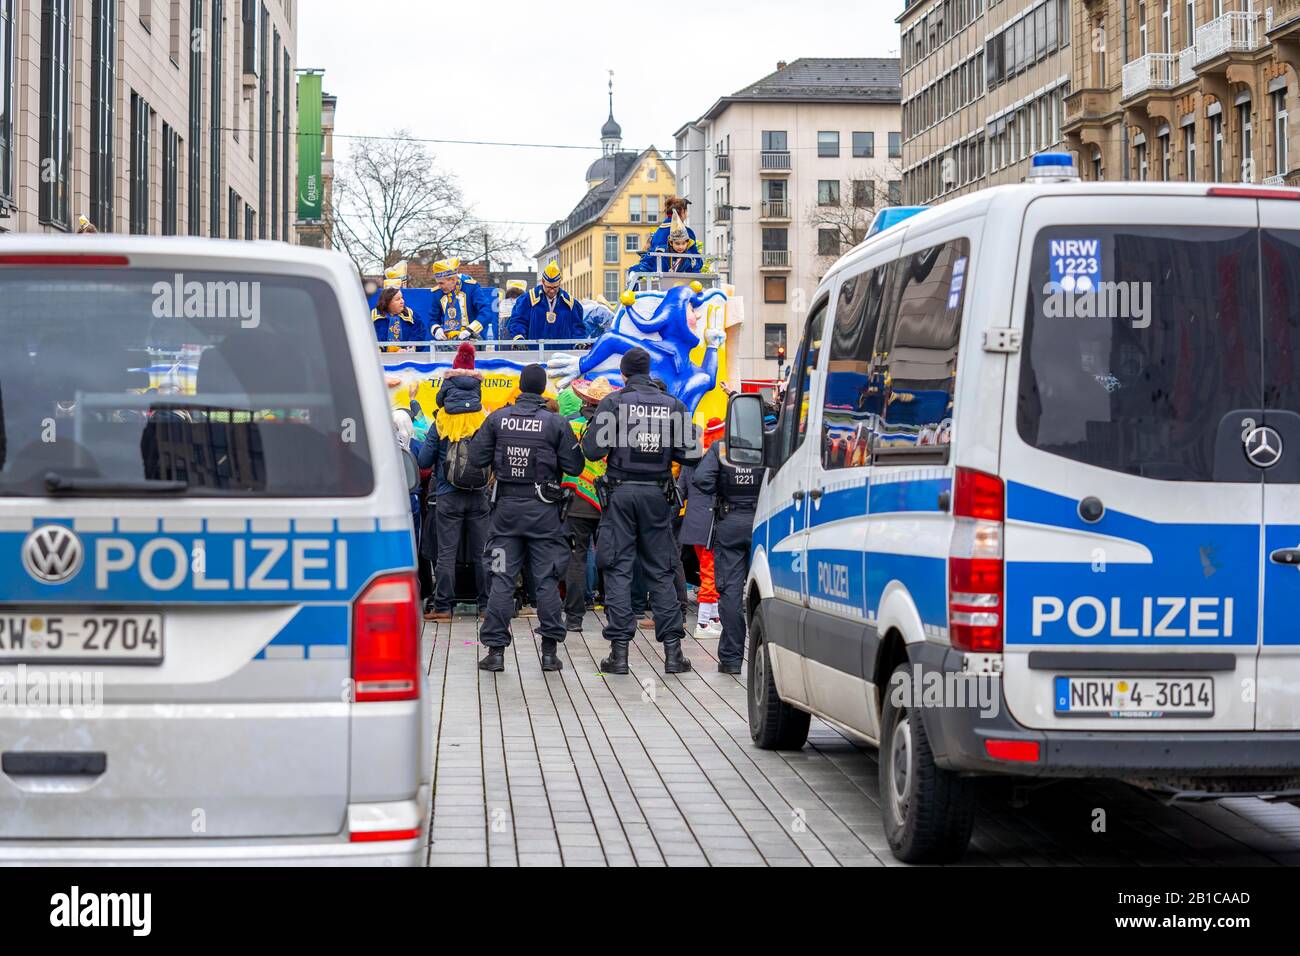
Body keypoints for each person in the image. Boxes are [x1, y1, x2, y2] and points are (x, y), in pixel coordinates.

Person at [581, 347, 701, 675]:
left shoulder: (614, 403)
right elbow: (693, 455)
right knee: (661, 570)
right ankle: (673, 653)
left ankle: (619, 654)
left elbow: (592, 451)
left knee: (618, 568)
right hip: (658, 496)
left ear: (623, 374)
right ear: (649, 372)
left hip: (620, 494)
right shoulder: (673, 405)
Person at [470, 364, 584, 673]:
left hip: (505, 512)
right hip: (544, 513)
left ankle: (495, 653)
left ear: (520, 387)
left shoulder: (497, 419)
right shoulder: (556, 423)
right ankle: (549, 653)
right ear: (543, 389)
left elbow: (476, 458)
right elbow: (575, 466)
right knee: (546, 580)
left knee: (501, 579)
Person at [417, 342, 490, 622]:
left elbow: (423, 461)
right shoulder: (482, 418)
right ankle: (485, 607)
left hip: (447, 493)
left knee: (446, 553)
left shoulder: (441, 421)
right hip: (479, 493)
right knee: (482, 552)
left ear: (446, 388)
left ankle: (444, 607)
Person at [692, 435, 764, 673]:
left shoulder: (721, 446)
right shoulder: (769, 442)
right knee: (767, 592)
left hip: (730, 519)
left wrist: (722, 487)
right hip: (763, 520)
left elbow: (701, 479)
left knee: (730, 592)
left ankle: (732, 659)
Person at [561, 377, 616, 633]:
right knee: (614, 559)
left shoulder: (571, 426)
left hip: (576, 501)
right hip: (610, 500)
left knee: (577, 557)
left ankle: (574, 617)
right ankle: (615, 615)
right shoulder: (617, 426)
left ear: (584, 400)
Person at [677, 417, 725, 637]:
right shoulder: (716, 460)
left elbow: (681, 492)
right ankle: (704, 623)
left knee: (709, 568)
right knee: (710, 571)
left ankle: (714, 617)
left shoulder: (688, 462)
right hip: (711, 522)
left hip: (694, 523)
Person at [508, 261, 586, 342]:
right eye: (548, 287)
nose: (552, 291)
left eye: (555, 287)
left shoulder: (570, 303)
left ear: (559, 282)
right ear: (542, 281)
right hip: (535, 352)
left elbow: (578, 327)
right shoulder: (528, 300)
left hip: (562, 352)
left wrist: (579, 341)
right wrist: (519, 337)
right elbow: (518, 321)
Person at [430, 258, 496, 341]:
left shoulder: (471, 287)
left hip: (471, 340)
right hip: (446, 341)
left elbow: (486, 311)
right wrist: (436, 329)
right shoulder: (437, 293)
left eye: (441, 283)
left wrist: (470, 330)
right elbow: (433, 318)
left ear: (453, 280)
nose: (439, 286)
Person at [630, 209, 703, 277]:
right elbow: (646, 265)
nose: (681, 247)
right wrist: (634, 272)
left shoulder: (690, 258)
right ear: (671, 243)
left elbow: (695, 273)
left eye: (683, 244)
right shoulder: (660, 252)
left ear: (687, 243)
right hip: (660, 288)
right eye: (677, 243)